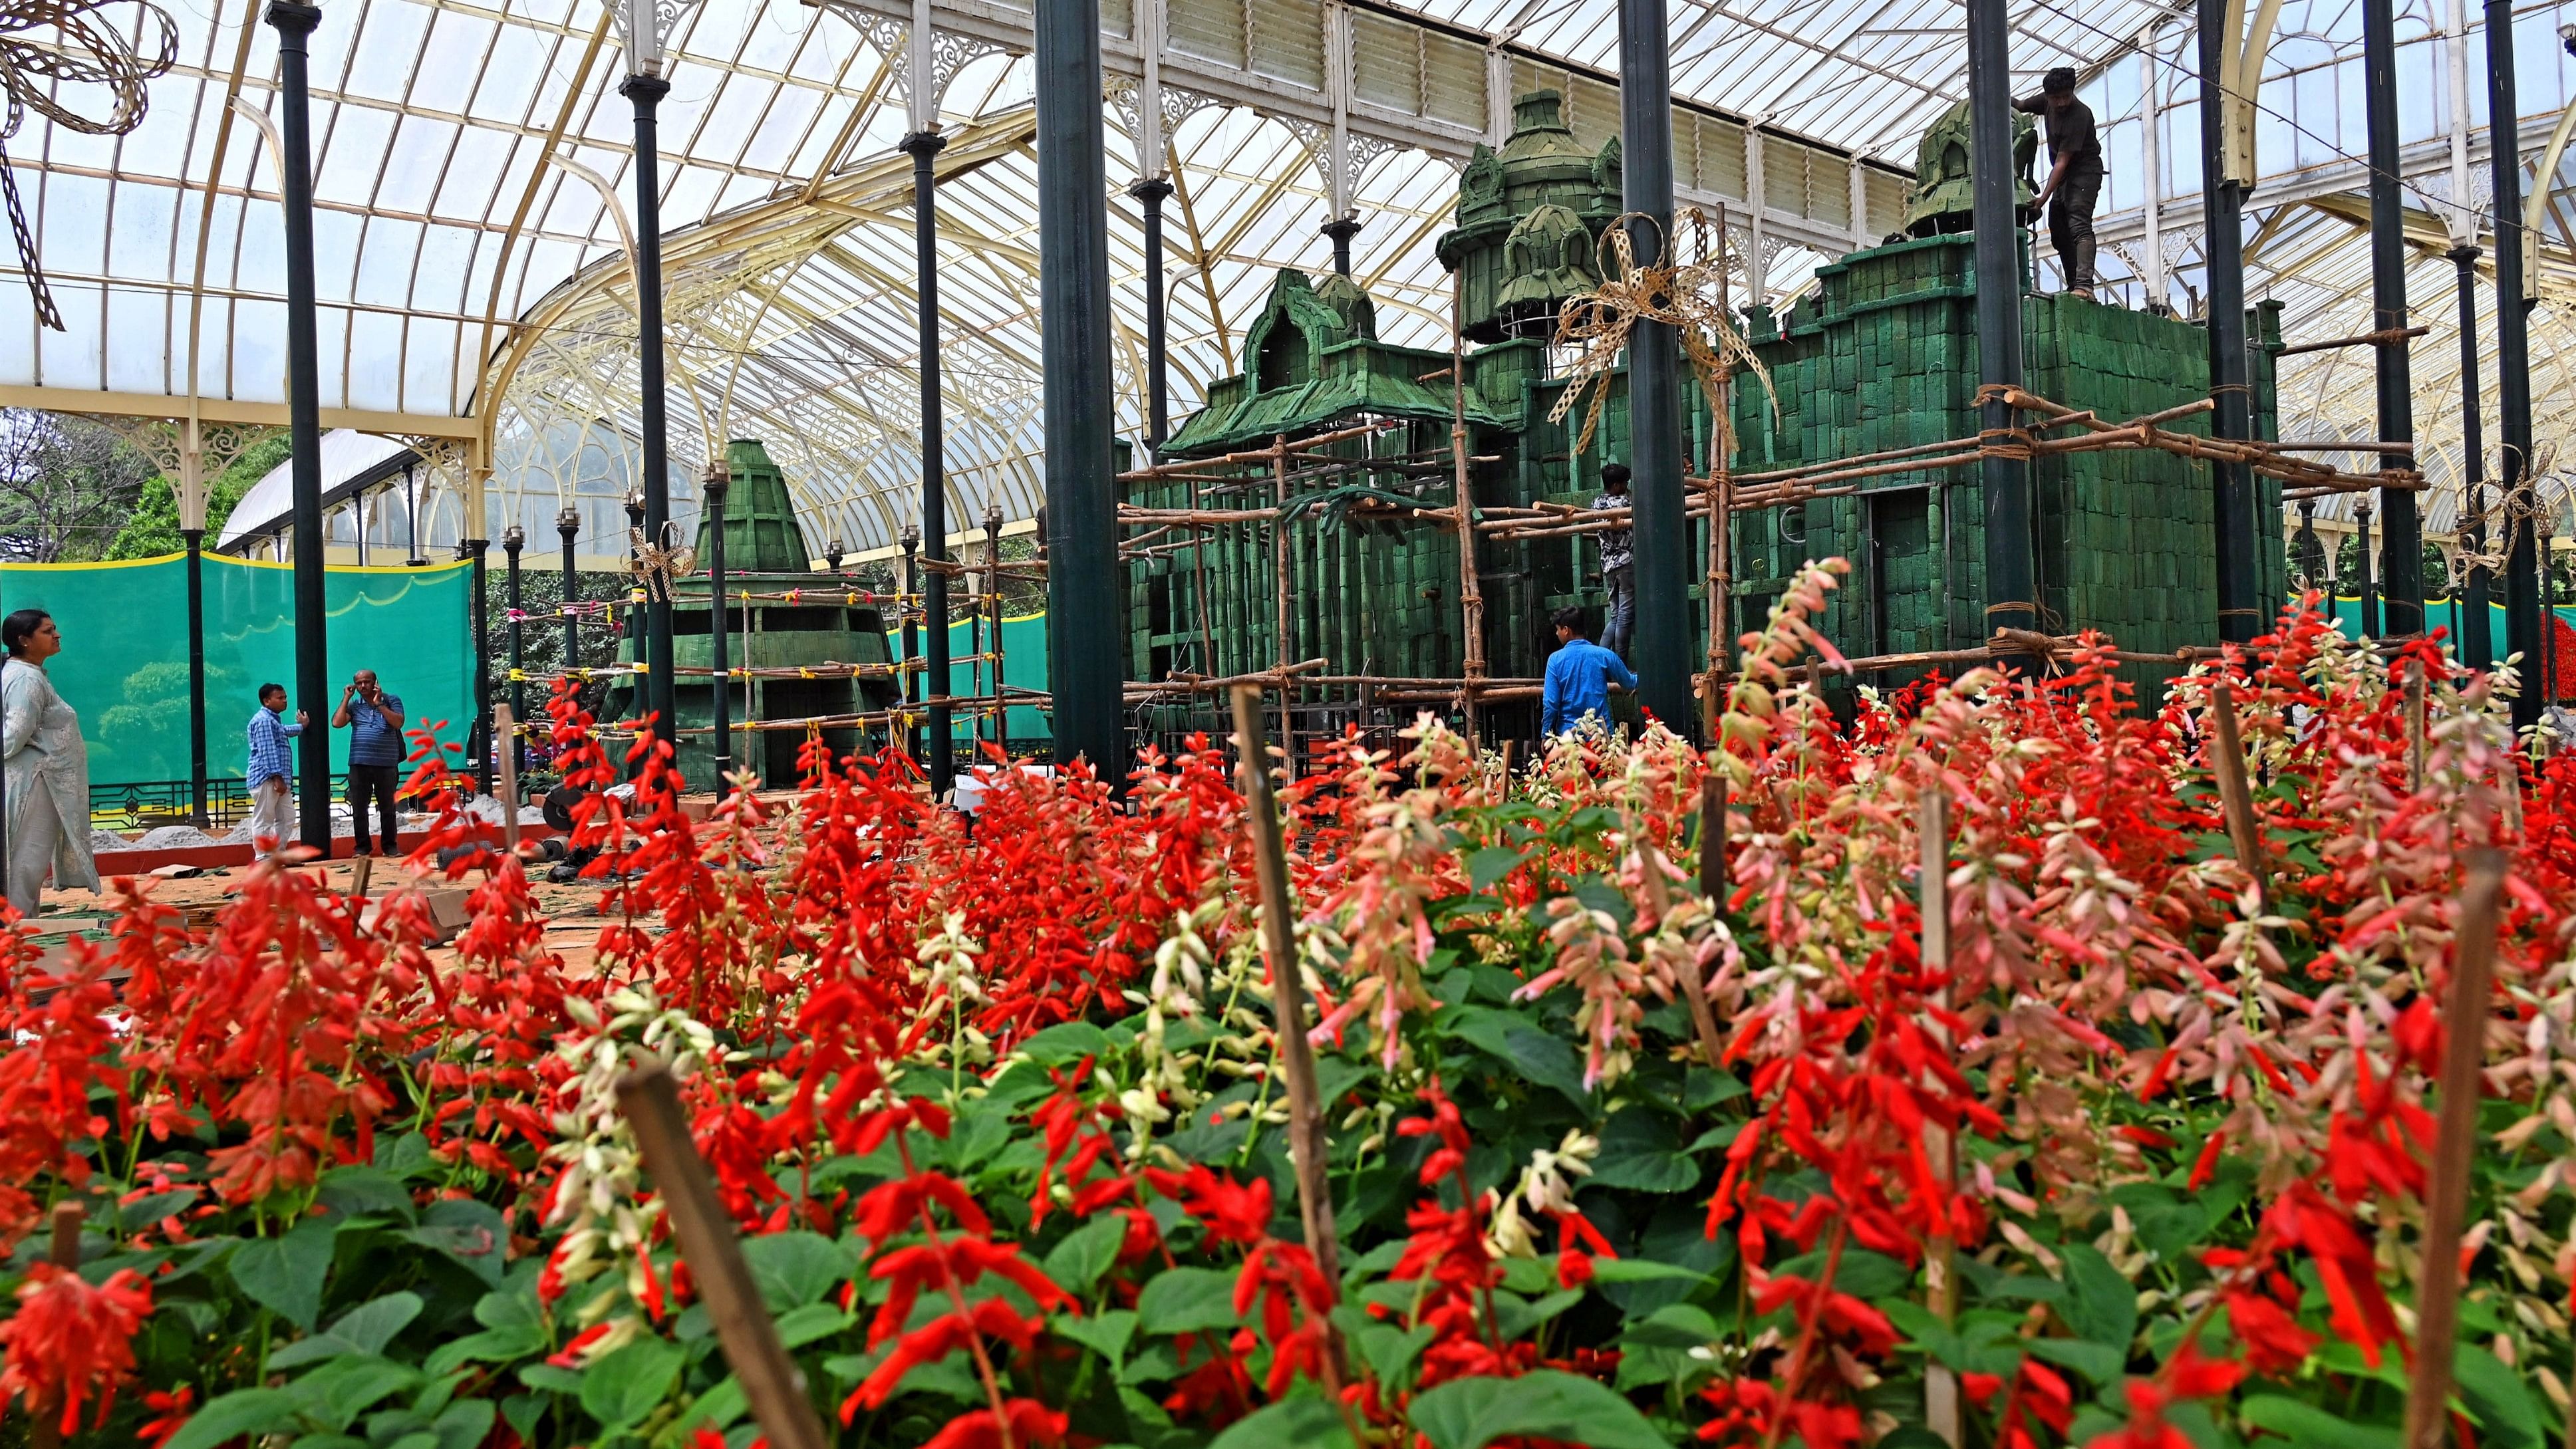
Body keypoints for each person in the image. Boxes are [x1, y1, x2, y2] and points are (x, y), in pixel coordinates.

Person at [0, 610, 98, 916]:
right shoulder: (26, 679)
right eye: (48, 631)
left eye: (54, 628)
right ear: (24, 641)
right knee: (26, 861)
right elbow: (15, 733)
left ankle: (23, 927)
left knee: (27, 861)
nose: (57, 635)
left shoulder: (28, 675)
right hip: (36, 781)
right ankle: (16, 933)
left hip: (38, 779)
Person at [2016, 67, 2102, 300]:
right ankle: (2074, 282)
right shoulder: (2046, 102)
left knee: (2079, 224)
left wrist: (2043, 197)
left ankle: (2085, 286)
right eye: (2056, 98)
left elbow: (2062, 161)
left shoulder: (2079, 115)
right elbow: (2021, 105)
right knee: (2058, 226)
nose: (2062, 102)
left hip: (2084, 172)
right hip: (2065, 175)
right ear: (2048, 96)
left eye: (2067, 96)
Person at [333, 669, 406, 857]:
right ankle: (362, 848)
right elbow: (337, 723)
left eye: (367, 682)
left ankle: (390, 847)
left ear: (375, 682)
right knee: (359, 809)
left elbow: (398, 723)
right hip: (359, 764)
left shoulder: (392, 700)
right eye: (359, 683)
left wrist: (379, 704)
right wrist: (346, 698)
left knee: (388, 808)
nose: (363, 686)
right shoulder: (354, 705)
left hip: (386, 764)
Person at [1541, 606, 1638, 739]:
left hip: (1570, 737)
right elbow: (1630, 682)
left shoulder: (1555, 660)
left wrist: (1546, 733)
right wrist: (1651, 675)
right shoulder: (1605, 655)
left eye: (1558, 629)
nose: (1556, 634)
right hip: (1601, 737)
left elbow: (1551, 703)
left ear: (1566, 630)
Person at [246, 683, 307, 858]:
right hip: (268, 779)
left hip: (278, 779)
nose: (285, 701)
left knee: (287, 816)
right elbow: (268, 751)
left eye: (285, 697)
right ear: (267, 701)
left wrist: (302, 726)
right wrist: (277, 778)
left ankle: (277, 855)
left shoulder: (271, 720)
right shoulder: (264, 721)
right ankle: (264, 857)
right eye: (280, 698)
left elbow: (283, 731)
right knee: (264, 819)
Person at [1592, 463, 1636, 659]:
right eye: (1625, 482)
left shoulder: (1597, 504)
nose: (1627, 485)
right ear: (1616, 485)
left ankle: (1601, 659)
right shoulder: (1625, 503)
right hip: (1626, 563)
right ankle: (1620, 664)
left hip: (1608, 565)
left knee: (1615, 616)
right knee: (1625, 616)